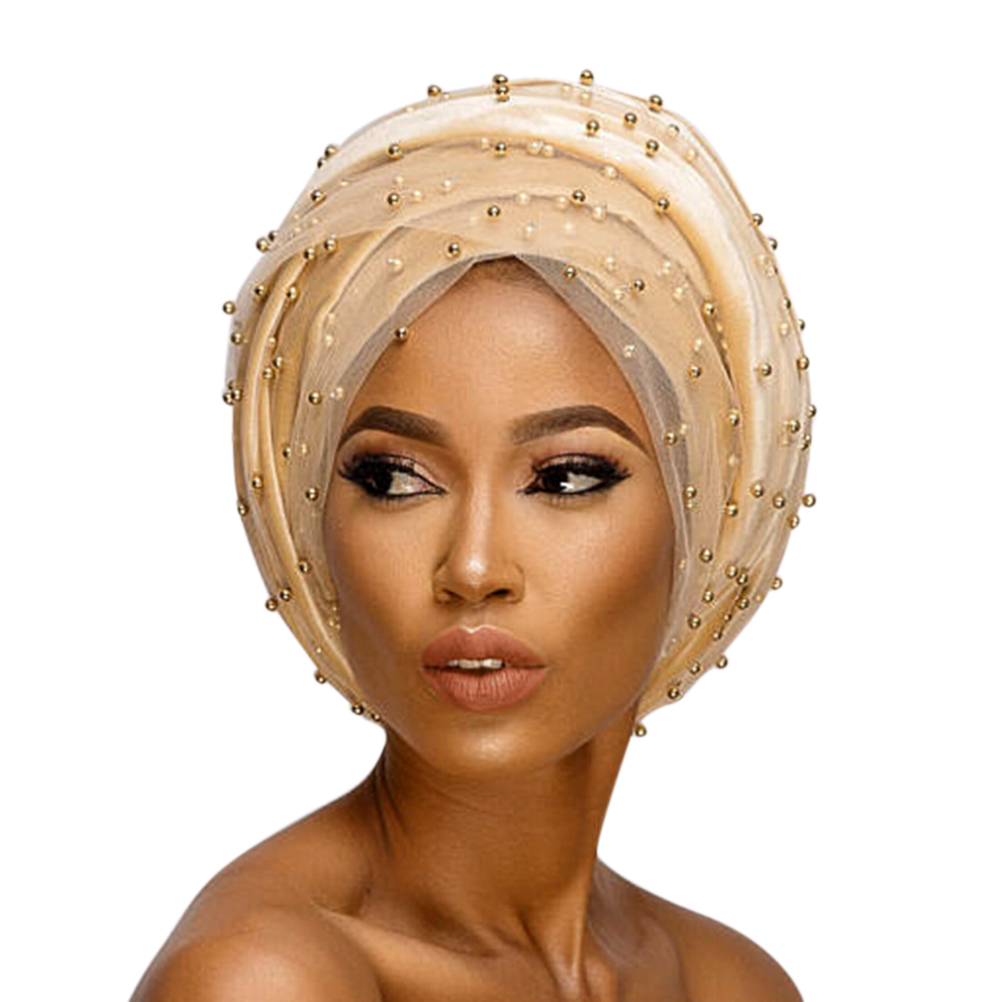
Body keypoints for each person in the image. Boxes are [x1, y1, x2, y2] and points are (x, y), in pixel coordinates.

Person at [131, 72, 813, 1000]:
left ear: (713, 510)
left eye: (566, 478)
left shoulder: (731, 984)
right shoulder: (267, 979)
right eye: (393, 479)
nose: (474, 567)